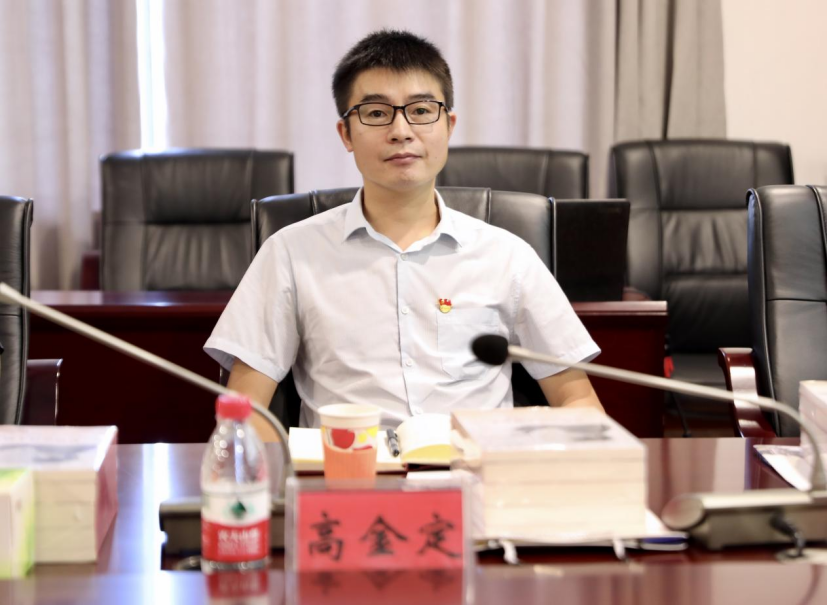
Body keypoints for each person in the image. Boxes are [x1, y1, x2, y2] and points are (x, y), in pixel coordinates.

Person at [205, 30, 603, 440]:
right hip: (347, 472)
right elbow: (245, 414)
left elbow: (576, 400)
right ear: (346, 134)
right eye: (377, 113)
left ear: (448, 126)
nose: (401, 130)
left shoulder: (507, 256)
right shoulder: (291, 253)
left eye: (421, 110)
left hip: (476, 471)